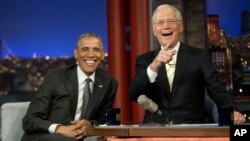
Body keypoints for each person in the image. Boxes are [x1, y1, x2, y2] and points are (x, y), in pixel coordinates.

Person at [129, 4, 245, 125]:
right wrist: (154, 66)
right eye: (160, 22)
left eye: (171, 21)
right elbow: (134, 94)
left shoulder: (199, 57)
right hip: (155, 130)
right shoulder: (145, 60)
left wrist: (233, 111)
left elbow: (217, 89)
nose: (166, 26)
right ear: (154, 31)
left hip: (191, 129)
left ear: (181, 27)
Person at [21, 33, 118, 141]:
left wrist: (90, 124)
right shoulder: (55, 77)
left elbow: (105, 120)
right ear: (76, 53)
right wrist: (60, 128)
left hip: (81, 137)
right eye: (85, 49)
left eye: (96, 50)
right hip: (47, 136)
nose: (91, 55)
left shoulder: (109, 82)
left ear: (102, 54)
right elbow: (30, 120)